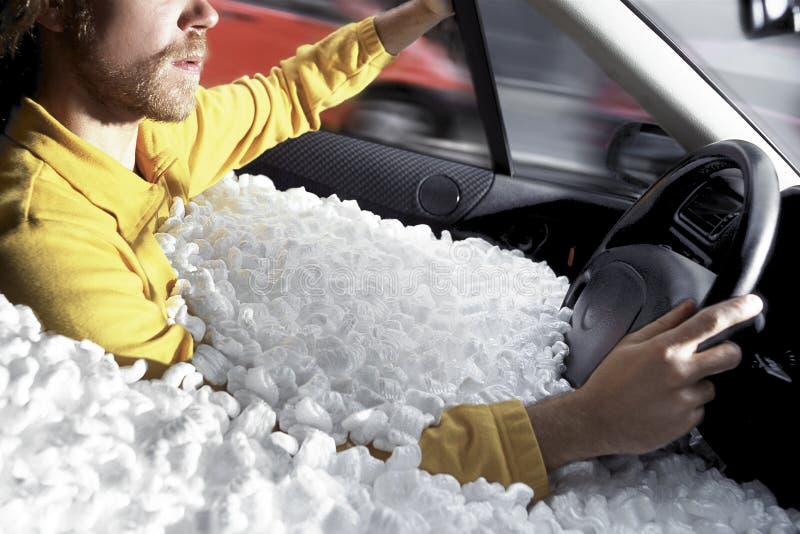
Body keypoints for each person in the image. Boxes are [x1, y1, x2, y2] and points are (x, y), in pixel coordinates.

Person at [0, 0, 761, 503]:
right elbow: (256, 459)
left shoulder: (149, 138)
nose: (205, 13)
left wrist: (426, 9)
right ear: (58, 7)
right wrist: (585, 424)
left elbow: (288, 93)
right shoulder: (50, 245)